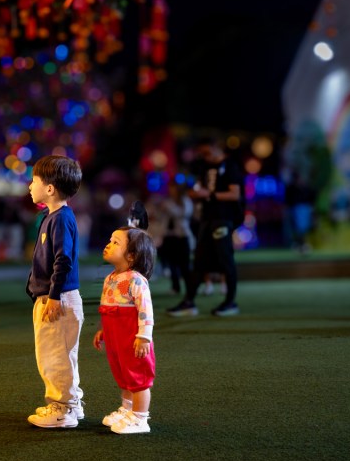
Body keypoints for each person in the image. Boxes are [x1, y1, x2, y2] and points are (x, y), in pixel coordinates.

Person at [25, 155, 85, 429]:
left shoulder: (60, 218)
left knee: (53, 357)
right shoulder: (54, 216)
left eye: (34, 180)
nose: (30, 185)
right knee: (64, 354)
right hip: (59, 296)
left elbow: (63, 260)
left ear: (49, 188)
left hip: (57, 299)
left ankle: (63, 410)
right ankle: (72, 404)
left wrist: (53, 296)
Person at [168, 138, 244, 317]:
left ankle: (230, 302)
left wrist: (208, 194)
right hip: (207, 218)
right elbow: (200, 188)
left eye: (207, 153)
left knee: (225, 260)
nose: (205, 157)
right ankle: (189, 302)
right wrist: (196, 193)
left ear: (217, 148)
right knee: (199, 261)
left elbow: (235, 194)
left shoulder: (230, 166)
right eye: (202, 154)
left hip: (223, 218)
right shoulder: (204, 167)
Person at [94, 227, 156, 435]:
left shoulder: (136, 279)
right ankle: (127, 409)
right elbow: (110, 310)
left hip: (133, 339)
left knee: (138, 378)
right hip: (116, 339)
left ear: (131, 255)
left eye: (115, 242)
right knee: (123, 374)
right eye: (110, 240)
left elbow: (145, 310)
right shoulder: (111, 278)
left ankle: (140, 417)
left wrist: (144, 337)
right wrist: (104, 331)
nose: (108, 244)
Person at [157, 182, 194, 295]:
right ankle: (175, 287)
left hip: (182, 236)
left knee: (185, 265)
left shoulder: (186, 201)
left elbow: (184, 214)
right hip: (169, 236)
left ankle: (190, 289)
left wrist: (169, 208)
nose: (171, 191)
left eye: (173, 189)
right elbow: (161, 218)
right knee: (172, 264)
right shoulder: (168, 201)